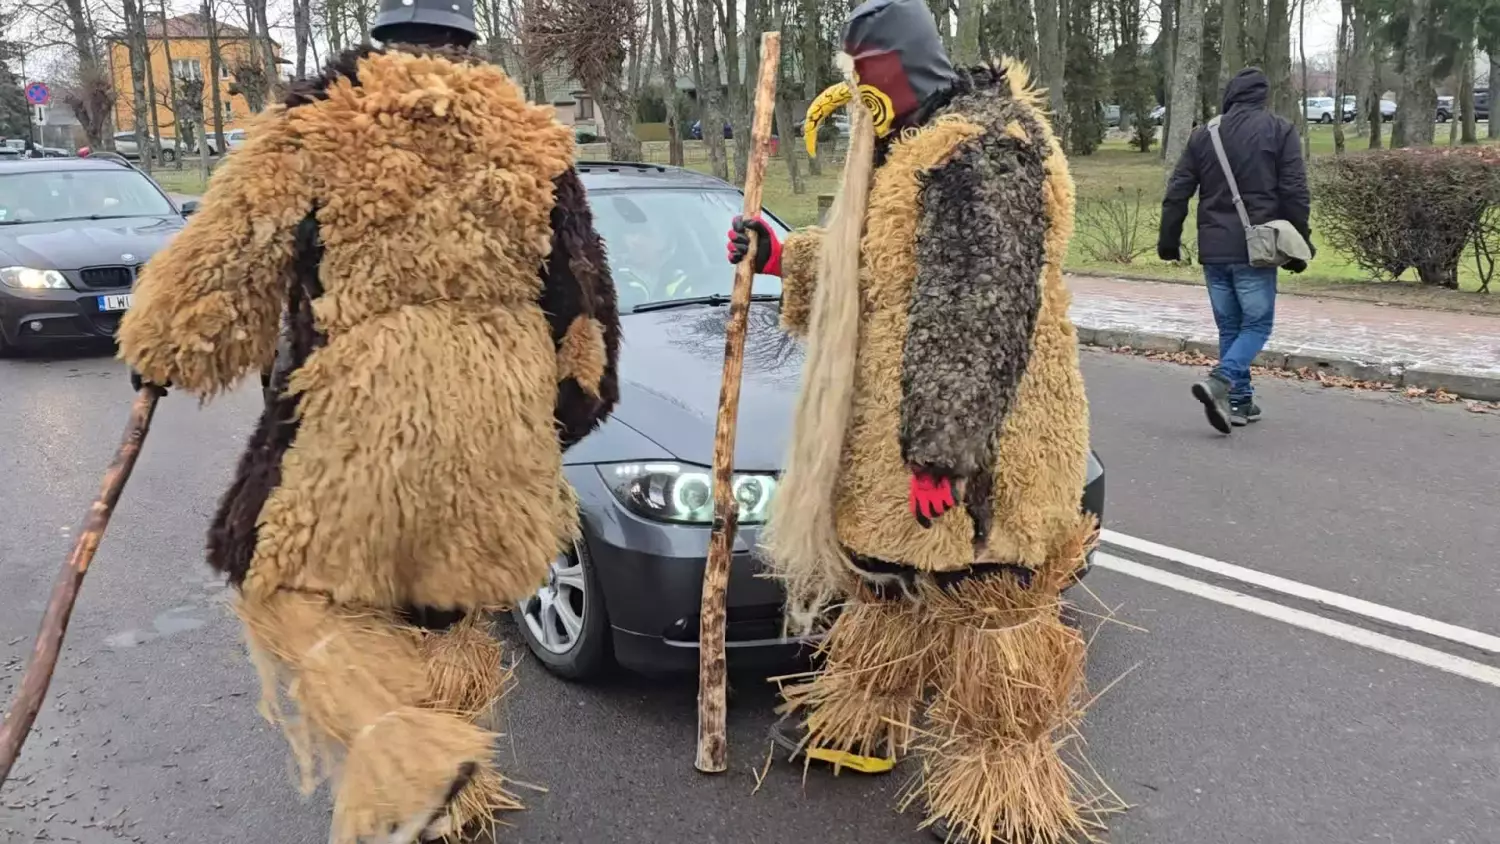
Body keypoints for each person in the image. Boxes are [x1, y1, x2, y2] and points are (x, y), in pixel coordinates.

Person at [116, 0, 620, 840]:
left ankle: (412, 753)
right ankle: (451, 798)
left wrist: (164, 344)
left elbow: (234, 250)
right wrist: (548, 425)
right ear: (467, 41)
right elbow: (582, 301)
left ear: (380, 36)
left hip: (366, 410)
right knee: (445, 609)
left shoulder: (317, 119)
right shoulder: (534, 140)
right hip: (499, 412)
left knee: (277, 584)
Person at [727, 0, 1100, 840]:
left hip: (982, 442)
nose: (853, 84)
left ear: (890, 66)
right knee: (888, 589)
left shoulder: (987, 151)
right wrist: (786, 255)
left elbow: (978, 311)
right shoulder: (906, 140)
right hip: (904, 427)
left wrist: (944, 455)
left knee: (983, 605)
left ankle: (1005, 793)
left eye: (860, 68)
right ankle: (863, 725)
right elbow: (878, 260)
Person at [1158, 67, 1312, 433]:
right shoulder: (1280, 130)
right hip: (1256, 247)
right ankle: (1221, 380)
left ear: (1231, 94)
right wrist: (1299, 241)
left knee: (1230, 325)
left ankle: (1239, 402)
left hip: (1213, 247)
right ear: (1262, 96)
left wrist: (1168, 240)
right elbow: (1294, 192)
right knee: (1257, 323)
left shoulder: (1203, 136)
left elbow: (1178, 190)